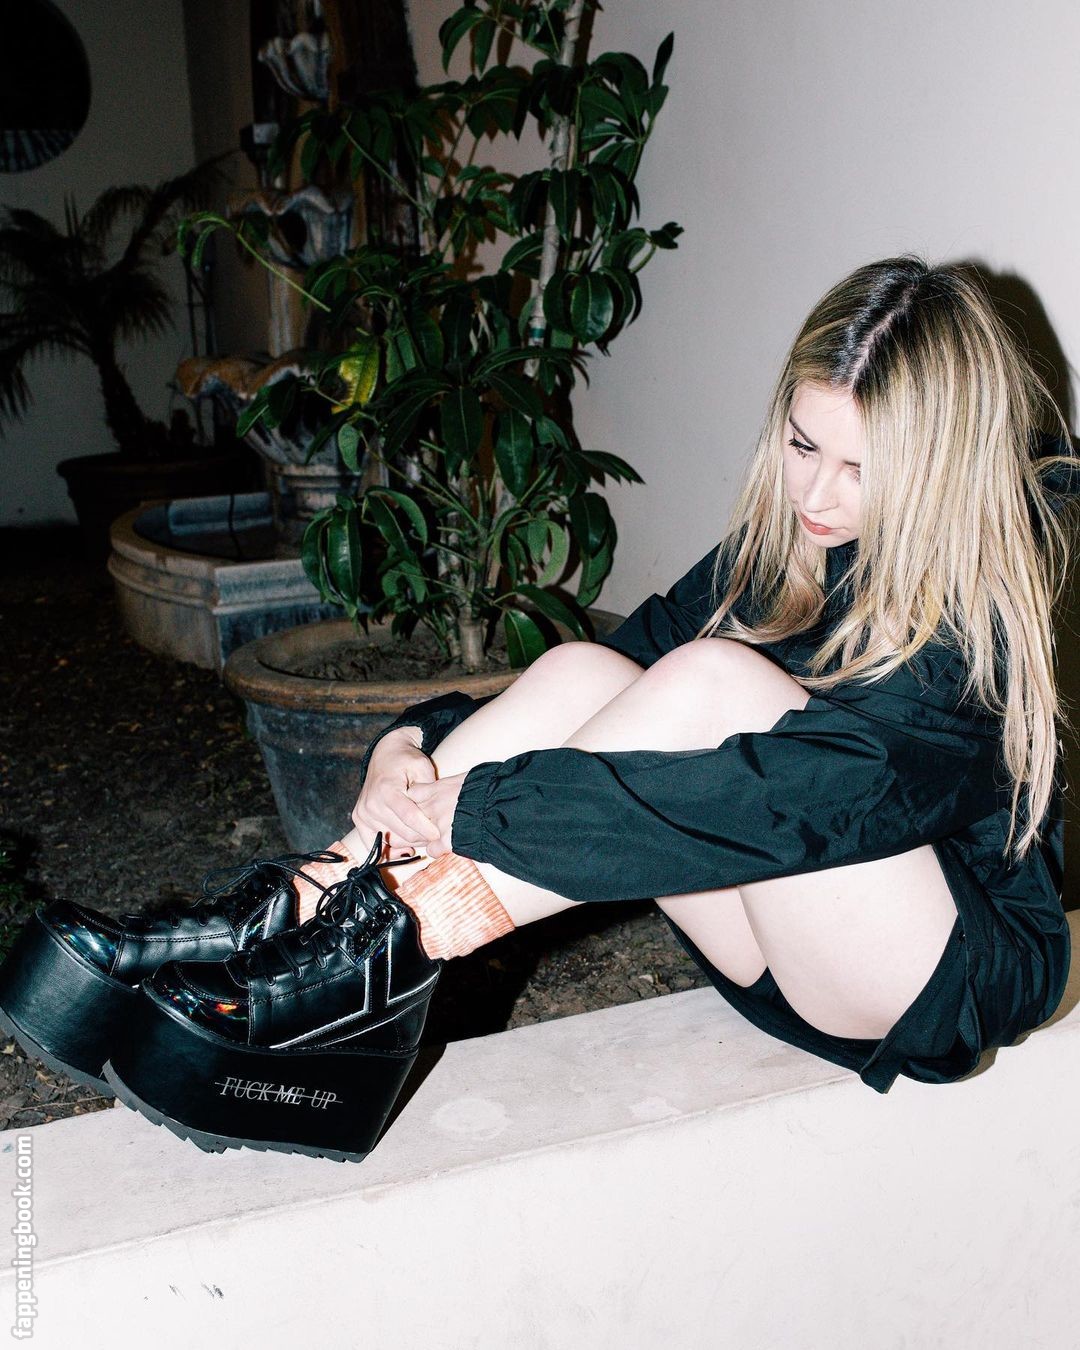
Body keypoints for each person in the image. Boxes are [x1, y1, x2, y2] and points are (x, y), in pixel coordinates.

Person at [1, 255, 1077, 1162]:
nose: (816, 496)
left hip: (929, 974)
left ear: (941, 466)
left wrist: (486, 815)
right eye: (802, 446)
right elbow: (616, 676)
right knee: (585, 668)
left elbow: (821, 795)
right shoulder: (785, 544)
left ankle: (384, 953)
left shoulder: (992, 591)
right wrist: (414, 746)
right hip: (778, 946)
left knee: (717, 682)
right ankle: (299, 907)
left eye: (860, 469)